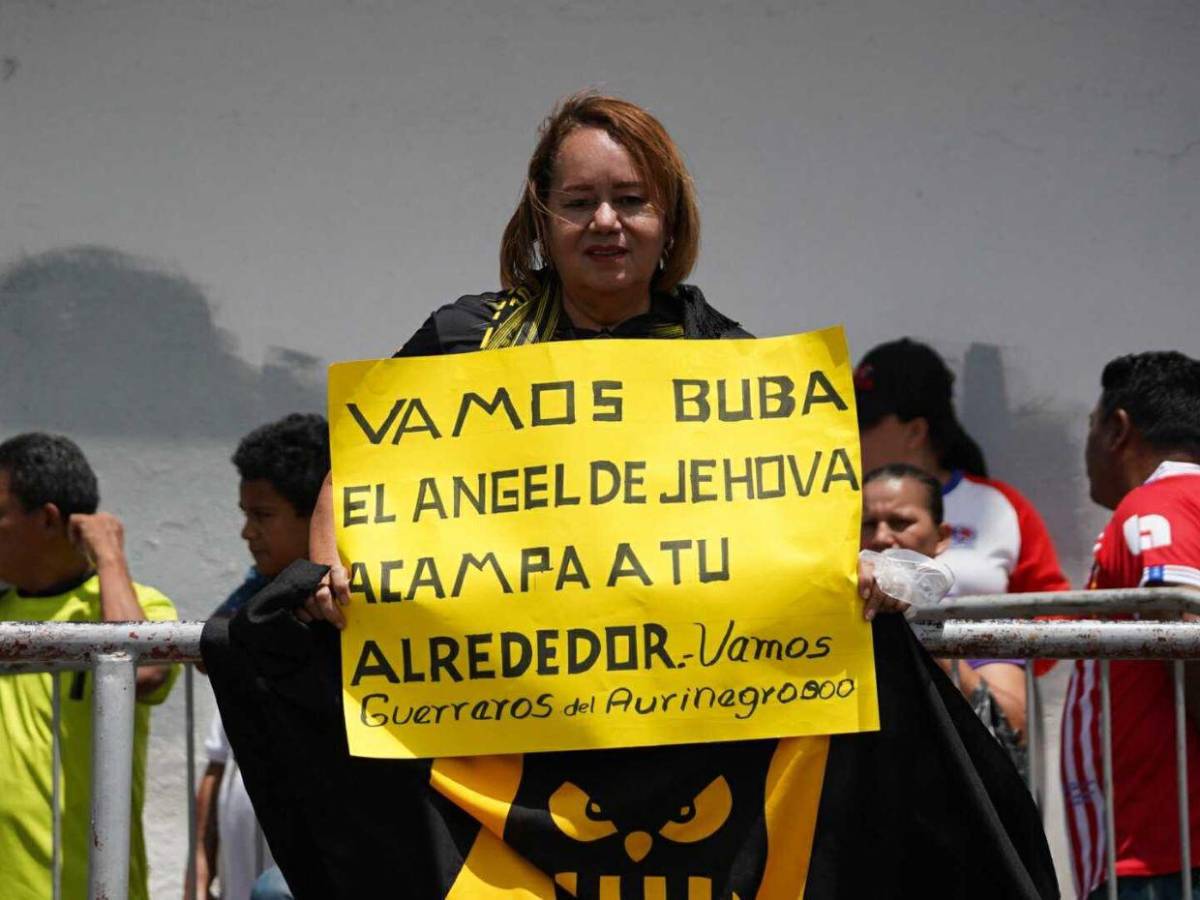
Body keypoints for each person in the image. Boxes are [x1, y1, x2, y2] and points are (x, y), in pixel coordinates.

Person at [207, 91, 1054, 898]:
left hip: (690, 738)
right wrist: (332, 577)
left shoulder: (727, 358)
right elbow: (354, 480)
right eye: (579, 201)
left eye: (630, 199)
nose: (606, 222)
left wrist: (854, 576)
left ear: (669, 218)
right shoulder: (464, 341)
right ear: (541, 217)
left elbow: (795, 521)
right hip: (500, 730)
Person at [855, 338, 1071, 747]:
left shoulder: (999, 506)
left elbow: (1053, 612)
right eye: (873, 524)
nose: (883, 534)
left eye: (865, 421)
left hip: (981, 722)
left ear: (916, 430)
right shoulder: (838, 508)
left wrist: (994, 653)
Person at [0, 432, 178, 900]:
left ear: (47, 519)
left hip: (91, 888)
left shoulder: (135, 605)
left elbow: (141, 673)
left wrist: (109, 557)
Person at [1064, 351, 1200, 899]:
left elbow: (1188, 625)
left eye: (1091, 426)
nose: (1088, 447)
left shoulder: (1156, 507)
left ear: (1118, 429)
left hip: (1164, 856)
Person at [189, 414, 328, 900]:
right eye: (245, 515)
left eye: (262, 516)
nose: (248, 532)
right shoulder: (257, 598)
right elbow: (211, 659)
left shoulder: (346, 611)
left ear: (317, 515)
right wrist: (200, 865)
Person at [861, 463, 1028, 775]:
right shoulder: (837, 616)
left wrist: (916, 627)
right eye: (868, 524)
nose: (882, 538)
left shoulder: (973, 621)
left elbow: (1011, 728)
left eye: (900, 523)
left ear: (941, 537)